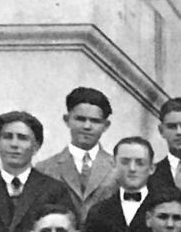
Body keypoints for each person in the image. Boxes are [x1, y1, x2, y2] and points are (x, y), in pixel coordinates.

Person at [35, 83, 120, 217]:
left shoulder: (118, 168)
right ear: (67, 120)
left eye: (95, 121)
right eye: (80, 119)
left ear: (106, 125)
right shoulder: (45, 169)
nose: (87, 126)